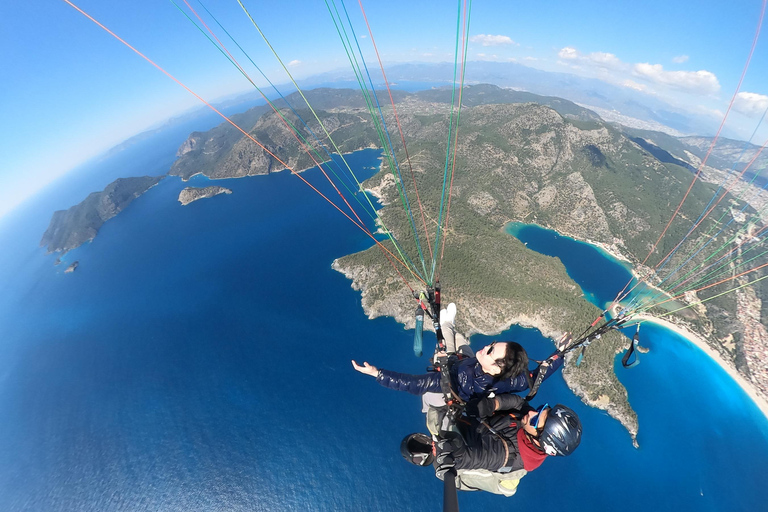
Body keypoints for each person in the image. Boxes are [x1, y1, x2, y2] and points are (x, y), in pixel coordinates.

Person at [352, 303, 567, 403]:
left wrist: (376, 373)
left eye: (491, 350)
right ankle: (449, 324)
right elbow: (541, 373)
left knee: (447, 337)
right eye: (492, 343)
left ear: (496, 367)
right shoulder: (512, 380)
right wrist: (561, 353)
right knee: (462, 341)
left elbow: (414, 384)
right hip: (467, 361)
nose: (487, 346)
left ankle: (447, 324)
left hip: (451, 368)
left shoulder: (459, 382)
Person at [400, 395, 582, 496]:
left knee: (433, 398)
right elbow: (519, 404)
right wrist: (492, 404)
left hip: (469, 453)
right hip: (478, 428)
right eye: (542, 408)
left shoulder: (505, 455)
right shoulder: (529, 428)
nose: (533, 412)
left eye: (536, 418)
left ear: (540, 440)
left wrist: (447, 449)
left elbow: (469, 458)